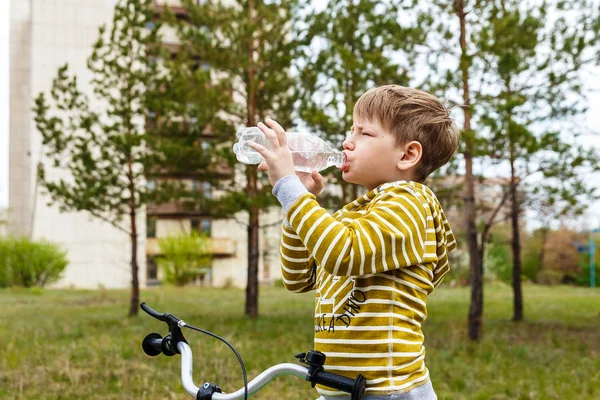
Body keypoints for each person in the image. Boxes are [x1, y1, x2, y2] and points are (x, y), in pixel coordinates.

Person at [248, 85, 460, 400]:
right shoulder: (358, 214)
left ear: (407, 154)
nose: (347, 141)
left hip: (388, 391)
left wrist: (288, 188)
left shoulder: (410, 202)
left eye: (363, 133)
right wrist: (300, 202)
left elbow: (342, 253)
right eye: (351, 129)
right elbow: (297, 278)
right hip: (342, 389)